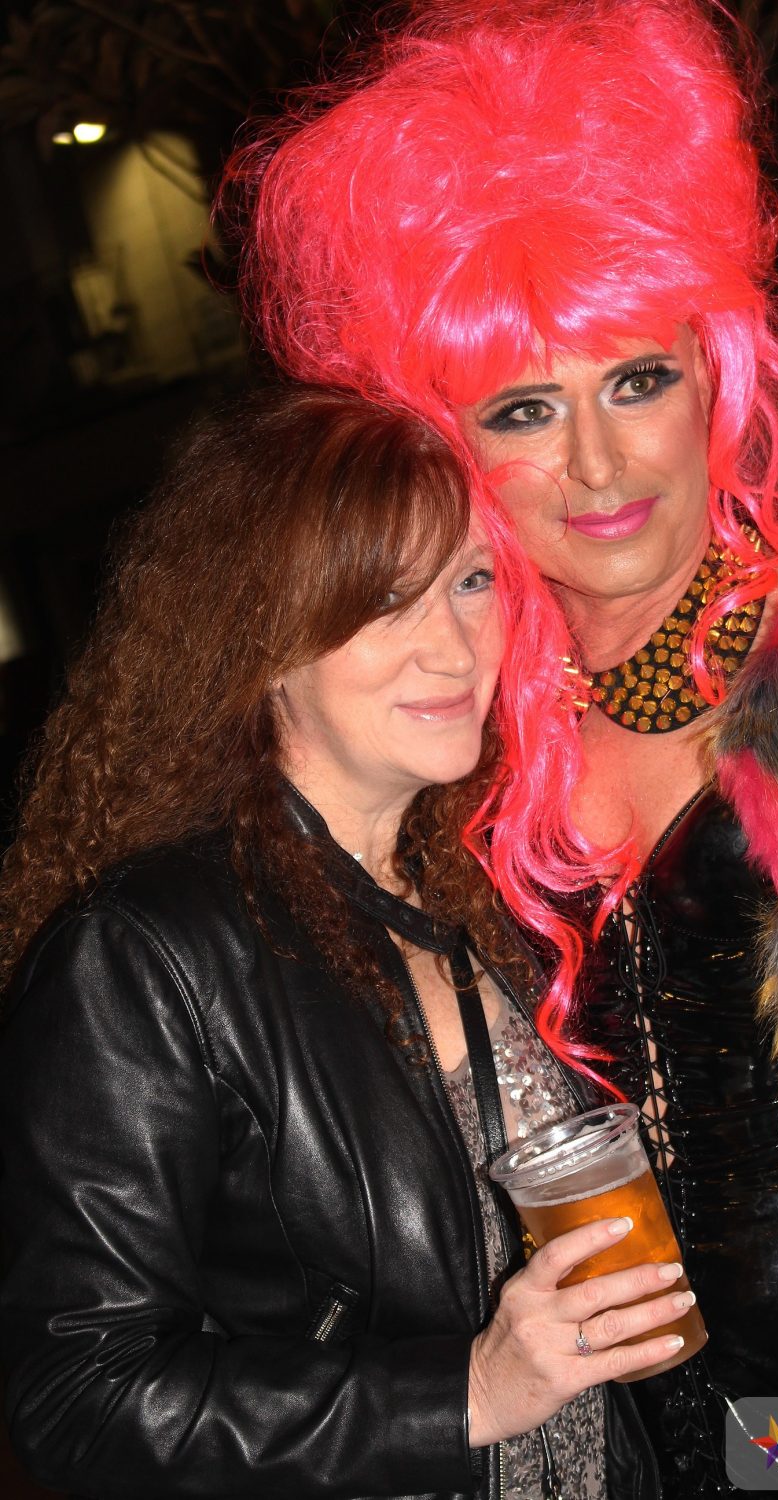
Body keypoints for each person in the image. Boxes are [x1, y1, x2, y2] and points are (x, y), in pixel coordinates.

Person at [220, 0, 778, 1491]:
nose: (596, 465)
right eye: (524, 409)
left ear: (719, 373)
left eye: (638, 379)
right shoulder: (456, 755)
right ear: (443, 448)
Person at [0, 384, 695, 1500]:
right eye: (385, 602)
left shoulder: (484, 888)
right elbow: (79, 1397)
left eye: (472, 581)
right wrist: (466, 1392)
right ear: (263, 643)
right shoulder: (142, 957)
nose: (453, 648)